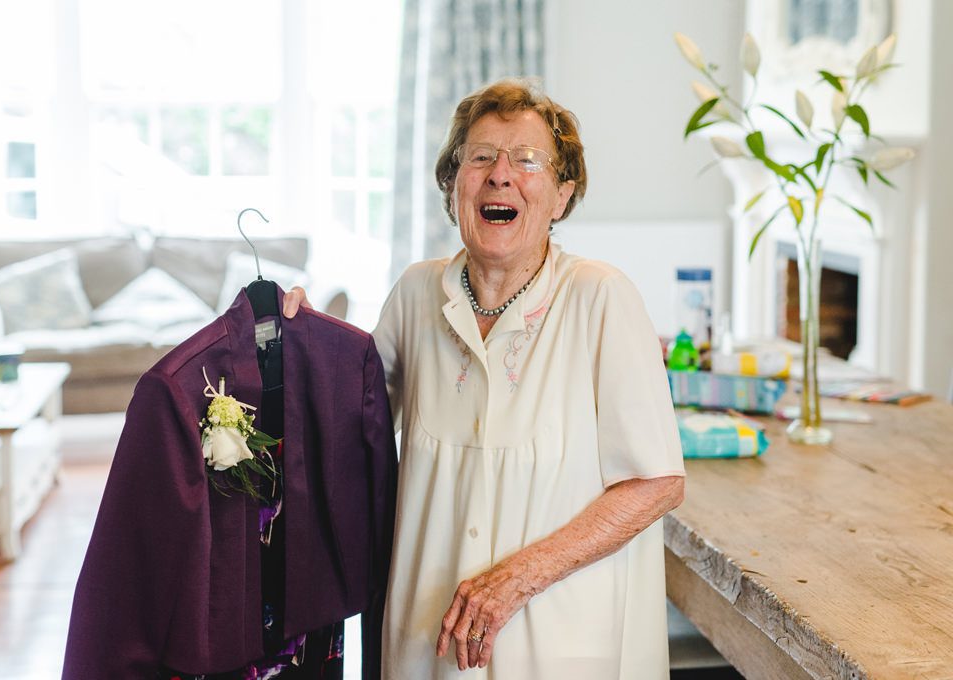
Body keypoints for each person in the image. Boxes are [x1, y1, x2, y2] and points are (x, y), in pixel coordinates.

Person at [284, 78, 685, 678]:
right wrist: (305, 345)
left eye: (528, 161)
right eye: (480, 158)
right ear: (453, 188)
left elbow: (656, 483)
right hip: (429, 640)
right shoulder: (417, 293)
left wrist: (515, 580)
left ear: (561, 196)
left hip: (557, 645)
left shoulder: (601, 297)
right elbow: (349, 427)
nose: (501, 174)